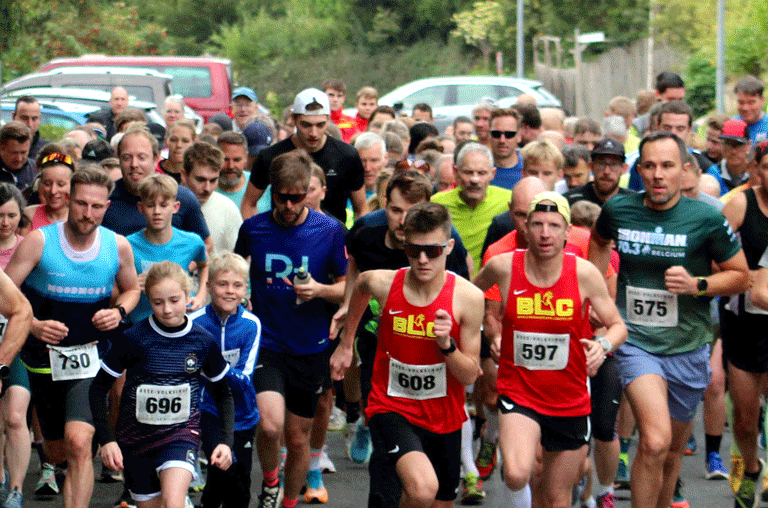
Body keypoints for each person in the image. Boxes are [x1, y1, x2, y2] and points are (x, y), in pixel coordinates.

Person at [588, 131, 749, 508]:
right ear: (638, 171)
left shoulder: (707, 218)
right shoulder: (619, 209)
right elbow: (598, 241)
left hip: (688, 345)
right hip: (636, 341)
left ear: (685, 170)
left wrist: (698, 284)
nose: (657, 175)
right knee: (655, 440)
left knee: (672, 451)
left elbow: (741, 276)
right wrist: (599, 298)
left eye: (667, 165)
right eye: (649, 166)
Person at [473, 191, 627, 508]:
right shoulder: (503, 266)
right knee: (517, 473)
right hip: (519, 391)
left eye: (554, 226)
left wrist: (602, 345)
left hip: (569, 398)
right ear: (525, 228)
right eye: (538, 224)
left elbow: (618, 325)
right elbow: (468, 296)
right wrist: (489, 333)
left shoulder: (584, 273)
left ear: (567, 231)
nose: (546, 233)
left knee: (556, 497)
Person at [331, 202, 483, 508]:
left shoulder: (468, 298)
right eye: (414, 250)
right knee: (422, 489)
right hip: (391, 406)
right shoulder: (385, 283)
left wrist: (447, 345)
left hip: (444, 416)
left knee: (438, 500)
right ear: (405, 246)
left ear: (449, 247)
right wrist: (347, 343)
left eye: (433, 251)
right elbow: (361, 284)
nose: (423, 260)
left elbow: (469, 375)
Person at [5, 166, 140, 508]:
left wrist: (119, 311)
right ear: (69, 200)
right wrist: (33, 324)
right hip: (42, 360)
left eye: (96, 207)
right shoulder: (39, 241)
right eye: (81, 204)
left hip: (91, 358)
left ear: (107, 207)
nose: (87, 214)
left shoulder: (117, 246)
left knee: (79, 442)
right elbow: (5, 293)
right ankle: (62, 462)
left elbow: (132, 289)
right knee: (56, 450)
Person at [234, 150, 347, 508]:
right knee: (269, 426)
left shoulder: (329, 230)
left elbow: (348, 287)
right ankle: (270, 481)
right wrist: (240, 295)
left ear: (308, 191)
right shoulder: (253, 228)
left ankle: (288, 502)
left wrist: (320, 290)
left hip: (310, 345)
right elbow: (236, 271)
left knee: (298, 439)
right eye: (281, 197)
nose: (287, 205)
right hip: (266, 342)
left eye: (296, 197)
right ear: (272, 191)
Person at [89, 260, 234, 508]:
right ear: (148, 300)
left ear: (188, 294)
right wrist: (108, 439)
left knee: (172, 502)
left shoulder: (202, 341)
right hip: (136, 440)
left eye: (174, 300)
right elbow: (98, 388)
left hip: (181, 435)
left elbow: (224, 394)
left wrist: (226, 442)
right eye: (158, 302)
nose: (167, 309)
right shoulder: (133, 338)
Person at [189, 252, 261, 508]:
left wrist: (213, 366)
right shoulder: (194, 323)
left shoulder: (251, 324)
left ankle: (209, 501)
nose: (230, 291)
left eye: (237, 285)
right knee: (221, 467)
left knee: (240, 486)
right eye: (222, 284)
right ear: (209, 286)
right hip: (209, 411)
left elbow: (244, 379)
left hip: (244, 413)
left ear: (245, 289)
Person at [720, 139, 768, 507]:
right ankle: (750, 468)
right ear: (755, 170)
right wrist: (741, 276)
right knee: (746, 419)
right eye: (766, 168)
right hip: (743, 323)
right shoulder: (740, 203)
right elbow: (711, 247)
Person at [241, 88, 369, 223]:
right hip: (284, 233)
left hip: (332, 234)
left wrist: (354, 236)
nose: (313, 133)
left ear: (328, 120)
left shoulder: (347, 155)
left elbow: (361, 209)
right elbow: (248, 203)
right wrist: (257, 233)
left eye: (320, 125)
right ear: (294, 119)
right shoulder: (271, 156)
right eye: (306, 125)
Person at [102, 126, 211, 252]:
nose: (134, 164)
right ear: (119, 160)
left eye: (142, 157)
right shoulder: (105, 198)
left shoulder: (181, 197)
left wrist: (181, 262)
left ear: (155, 159)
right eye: (127, 158)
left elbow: (206, 244)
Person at [126, 173, 208, 322]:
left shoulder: (192, 242)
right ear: (141, 207)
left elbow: (204, 264)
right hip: (141, 324)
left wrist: (201, 295)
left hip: (181, 321)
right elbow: (113, 288)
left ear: (175, 207)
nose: (157, 212)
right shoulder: (127, 245)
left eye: (163, 205)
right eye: (150, 205)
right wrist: (131, 286)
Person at [0, 183, 32, 508]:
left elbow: (25, 308)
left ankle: (16, 490)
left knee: (14, 416)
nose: (5, 222)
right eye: (0, 215)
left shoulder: (28, 248)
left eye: (11, 215)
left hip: (17, 345)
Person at [432, 142, 509, 274]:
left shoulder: (507, 201)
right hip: (450, 281)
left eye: (481, 173)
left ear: (493, 174)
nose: (474, 179)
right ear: (456, 172)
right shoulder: (437, 203)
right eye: (468, 172)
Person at [181, 142, 242, 254]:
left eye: (213, 180)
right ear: (184, 175)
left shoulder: (228, 209)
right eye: (200, 180)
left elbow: (239, 258)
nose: (207, 188)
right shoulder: (164, 205)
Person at [564, 139, 633, 206]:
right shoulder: (570, 200)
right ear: (591, 167)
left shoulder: (632, 202)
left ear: (624, 169)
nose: (606, 172)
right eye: (601, 164)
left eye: (613, 165)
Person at [24, 152, 74, 231]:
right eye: (47, 184)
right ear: (40, 185)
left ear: (72, 186)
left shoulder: (78, 220)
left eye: (61, 185)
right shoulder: (28, 215)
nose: (53, 191)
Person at [488, 108, 523, 190]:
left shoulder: (529, 170)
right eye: (496, 134)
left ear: (519, 136)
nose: (502, 140)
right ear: (489, 135)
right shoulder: (478, 170)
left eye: (509, 134)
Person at [0, 122, 36, 192]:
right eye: (14, 153)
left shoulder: (35, 170)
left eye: (23, 152)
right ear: (2, 148)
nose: (19, 159)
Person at [734, 76, 768, 144]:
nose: (745, 108)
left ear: (762, 100)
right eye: (741, 102)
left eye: (751, 102)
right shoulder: (731, 126)